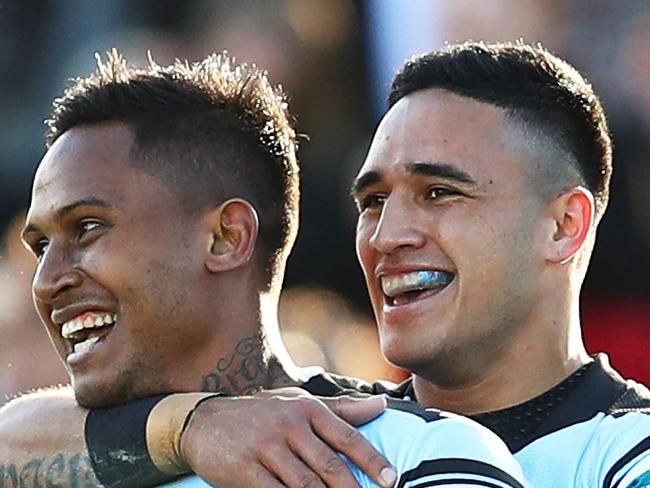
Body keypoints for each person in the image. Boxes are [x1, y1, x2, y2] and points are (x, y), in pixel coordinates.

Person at [0, 50, 531, 488]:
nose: (47, 280)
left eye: (88, 228)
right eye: (41, 245)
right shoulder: (58, 465)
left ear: (226, 237)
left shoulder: (416, 457)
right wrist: (187, 427)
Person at [349, 41, 650, 487]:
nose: (386, 236)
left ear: (564, 226)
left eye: (438, 192)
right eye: (374, 201)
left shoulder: (629, 457)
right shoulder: (305, 441)